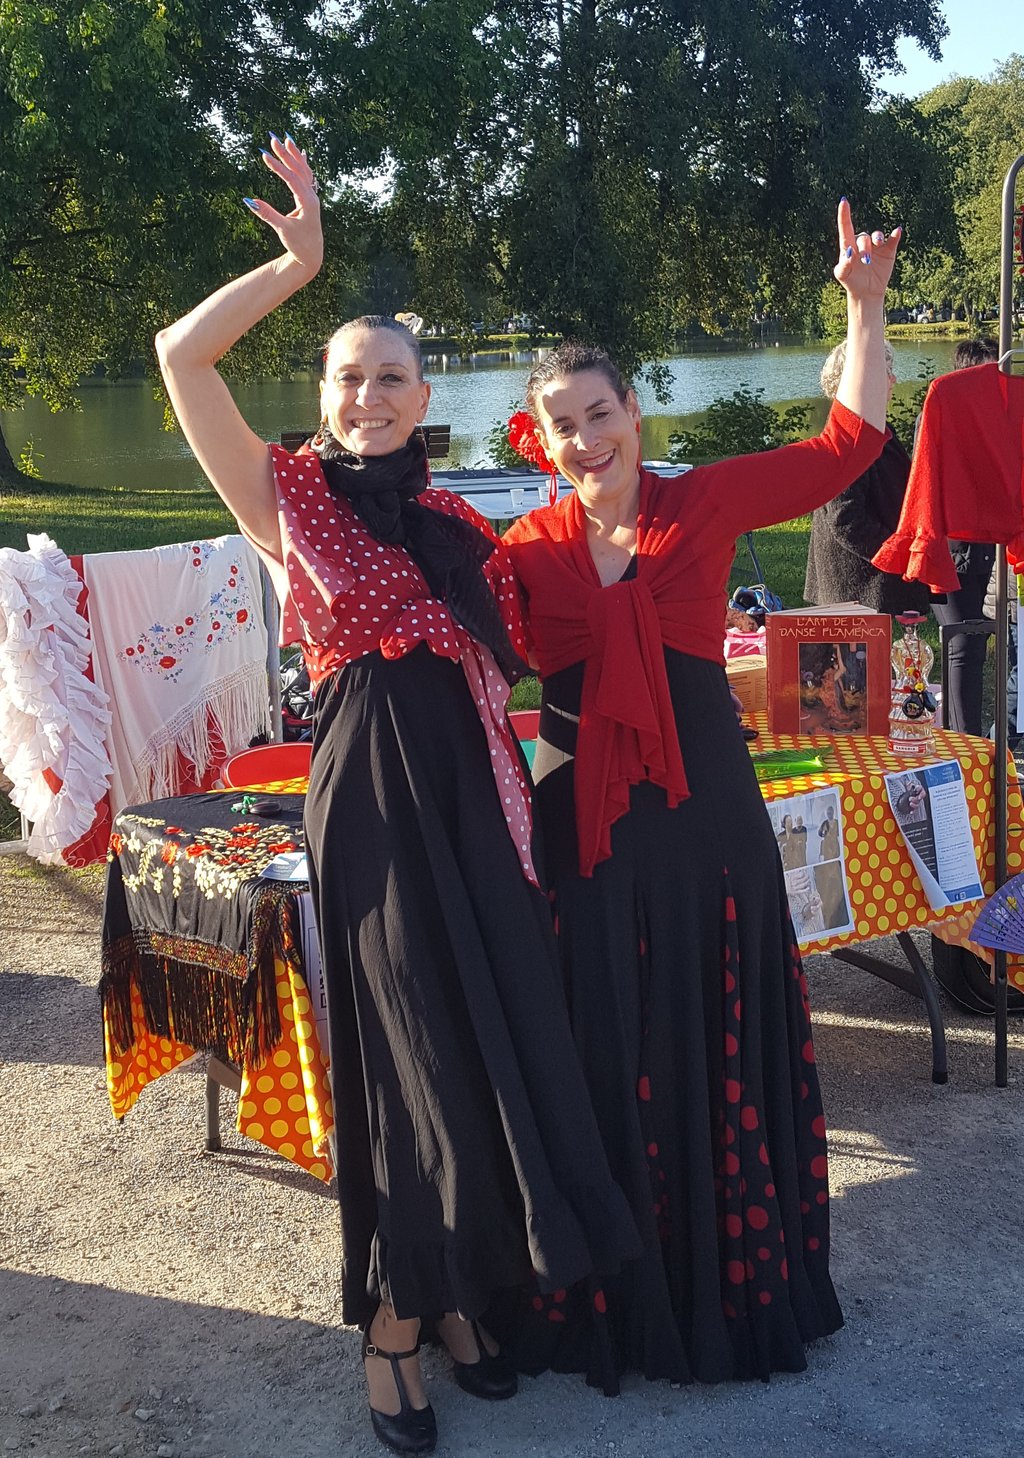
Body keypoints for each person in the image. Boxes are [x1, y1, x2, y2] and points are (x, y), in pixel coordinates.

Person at [156, 136, 639, 1455]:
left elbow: (571, 599)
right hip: (370, 789)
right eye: (347, 376)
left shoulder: (463, 524)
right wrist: (294, 266)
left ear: (426, 397)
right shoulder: (287, 496)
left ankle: (467, 1297)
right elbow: (181, 357)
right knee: (413, 1046)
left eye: (390, 379)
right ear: (323, 391)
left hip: (477, 788)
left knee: (491, 1034)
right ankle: (393, 1323)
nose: (367, 396)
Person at [501, 200, 899, 1391]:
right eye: (564, 425)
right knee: (599, 1028)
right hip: (581, 823)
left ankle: (727, 1285)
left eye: (601, 414)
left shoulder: (704, 503)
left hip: (706, 817)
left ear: (634, 413)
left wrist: (864, 307)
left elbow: (848, 444)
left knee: (709, 1019)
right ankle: (608, 1288)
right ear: (540, 439)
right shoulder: (519, 551)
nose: (587, 439)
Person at [803, 337, 930, 615]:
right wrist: (898, 552)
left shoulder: (874, 427)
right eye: (886, 372)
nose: (894, 379)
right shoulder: (850, 435)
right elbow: (845, 519)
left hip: (871, 586)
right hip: (856, 592)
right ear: (862, 379)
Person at [927, 338, 999, 735]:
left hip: (987, 551)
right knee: (962, 645)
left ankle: (968, 736)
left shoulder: (998, 418)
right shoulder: (942, 414)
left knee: (976, 646)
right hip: (949, 552)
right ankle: (964, 739)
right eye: (989, 373)